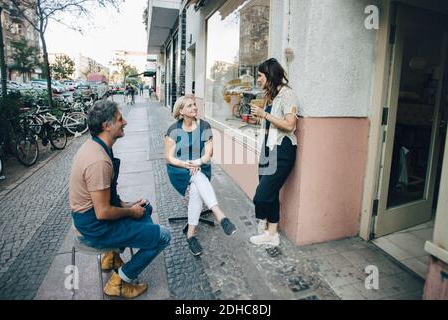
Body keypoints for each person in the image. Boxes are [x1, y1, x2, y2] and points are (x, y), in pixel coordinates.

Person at [69, 100, 171, 298]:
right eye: (119, 119)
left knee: (146, 208)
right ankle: (119, 282)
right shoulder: (98, 160)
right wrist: (131, 212)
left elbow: (106, 198)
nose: (125, 122)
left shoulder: (98, 146)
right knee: (163, 236)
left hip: (93, 218)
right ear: (107, 126)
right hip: (95, 227)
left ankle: (111, 256)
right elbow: (103, 212)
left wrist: (126, 205)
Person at [164, 96, 237, 256]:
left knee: (197, 187)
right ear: (181, 111)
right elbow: (169, 157)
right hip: (178, 169)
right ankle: (220, 215)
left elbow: (209, 153)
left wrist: (196, 162)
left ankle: (191, 235)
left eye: (195, 105)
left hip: (200, 166)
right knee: (197, 179)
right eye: (189, 106)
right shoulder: (173, 130)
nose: (194, 108)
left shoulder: (204, 126)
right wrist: (187, 164)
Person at [249, 58, 298, 247]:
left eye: (260, 76)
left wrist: (265, 114)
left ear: (270, 75)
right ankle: (272, 234)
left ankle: (262, 219)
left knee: (261, 196)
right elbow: (270, 122)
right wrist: (261, 117)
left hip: (282, 149)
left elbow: (289, 124)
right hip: (268, 147)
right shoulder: (272, 95)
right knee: (271, 192)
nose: (258, 79)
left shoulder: (288, 95)